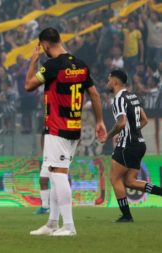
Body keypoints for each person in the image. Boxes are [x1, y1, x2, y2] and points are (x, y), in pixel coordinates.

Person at [25, 28, 107, 236]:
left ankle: (69, 226)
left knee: (58, 174)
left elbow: (28, 85)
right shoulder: (81, 65)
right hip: (74, 128)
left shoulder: (52, 66)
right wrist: (99, 121)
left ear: (44, 45)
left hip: (56, 127)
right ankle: (52, 223)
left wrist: (33, 60)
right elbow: (95, 95)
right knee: (54, 173)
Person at [104, 70, 162, 222]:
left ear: (115, 82)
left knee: (114, 178)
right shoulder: (133, 96)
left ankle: (127, 216)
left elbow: (121, 122)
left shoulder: (118, 99)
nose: (107, 83)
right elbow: (144, 120)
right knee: (130, 181)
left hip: (127, 145)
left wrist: (108, 136)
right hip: (139, 144)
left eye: (109, 80)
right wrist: (133, 133)